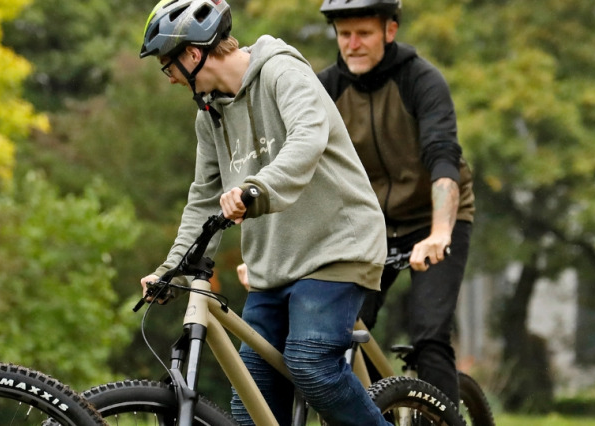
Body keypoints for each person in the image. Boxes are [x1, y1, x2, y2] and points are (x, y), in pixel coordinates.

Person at [136, 0, 389, 425]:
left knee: (311, 365)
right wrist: (172, 269)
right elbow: (203, 195)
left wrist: (256, 187)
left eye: (169, 65)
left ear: (194, 54)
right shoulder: (210, 114)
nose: (171, 78)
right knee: (253, 404)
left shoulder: (282, 72)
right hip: (275, 265)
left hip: (338, 248)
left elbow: (308, 138)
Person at [316, 0, 477, 404]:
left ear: (390, 31)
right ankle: (377, 409)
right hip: (369, 226)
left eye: (364, 34)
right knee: (346, 332)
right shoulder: (325, 89)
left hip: (433, 218)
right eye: (344, 34)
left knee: (430, 335)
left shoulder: (421, 80)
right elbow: (299, 170)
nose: (352, 44)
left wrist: (440, 232)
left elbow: (443, 155)